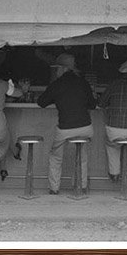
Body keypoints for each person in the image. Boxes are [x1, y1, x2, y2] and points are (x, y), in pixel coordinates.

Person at [36, 53, 97, 194]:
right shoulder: (83, 82)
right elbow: (93, 105)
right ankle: (81, 187)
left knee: (55, 156)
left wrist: (56, 99)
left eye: (57, 68)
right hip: (86, 127)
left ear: (63, 69)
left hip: (65, 128)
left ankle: (54, 188)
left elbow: (41, 103)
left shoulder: (57, 84)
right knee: (82, 156)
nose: (56, 71)